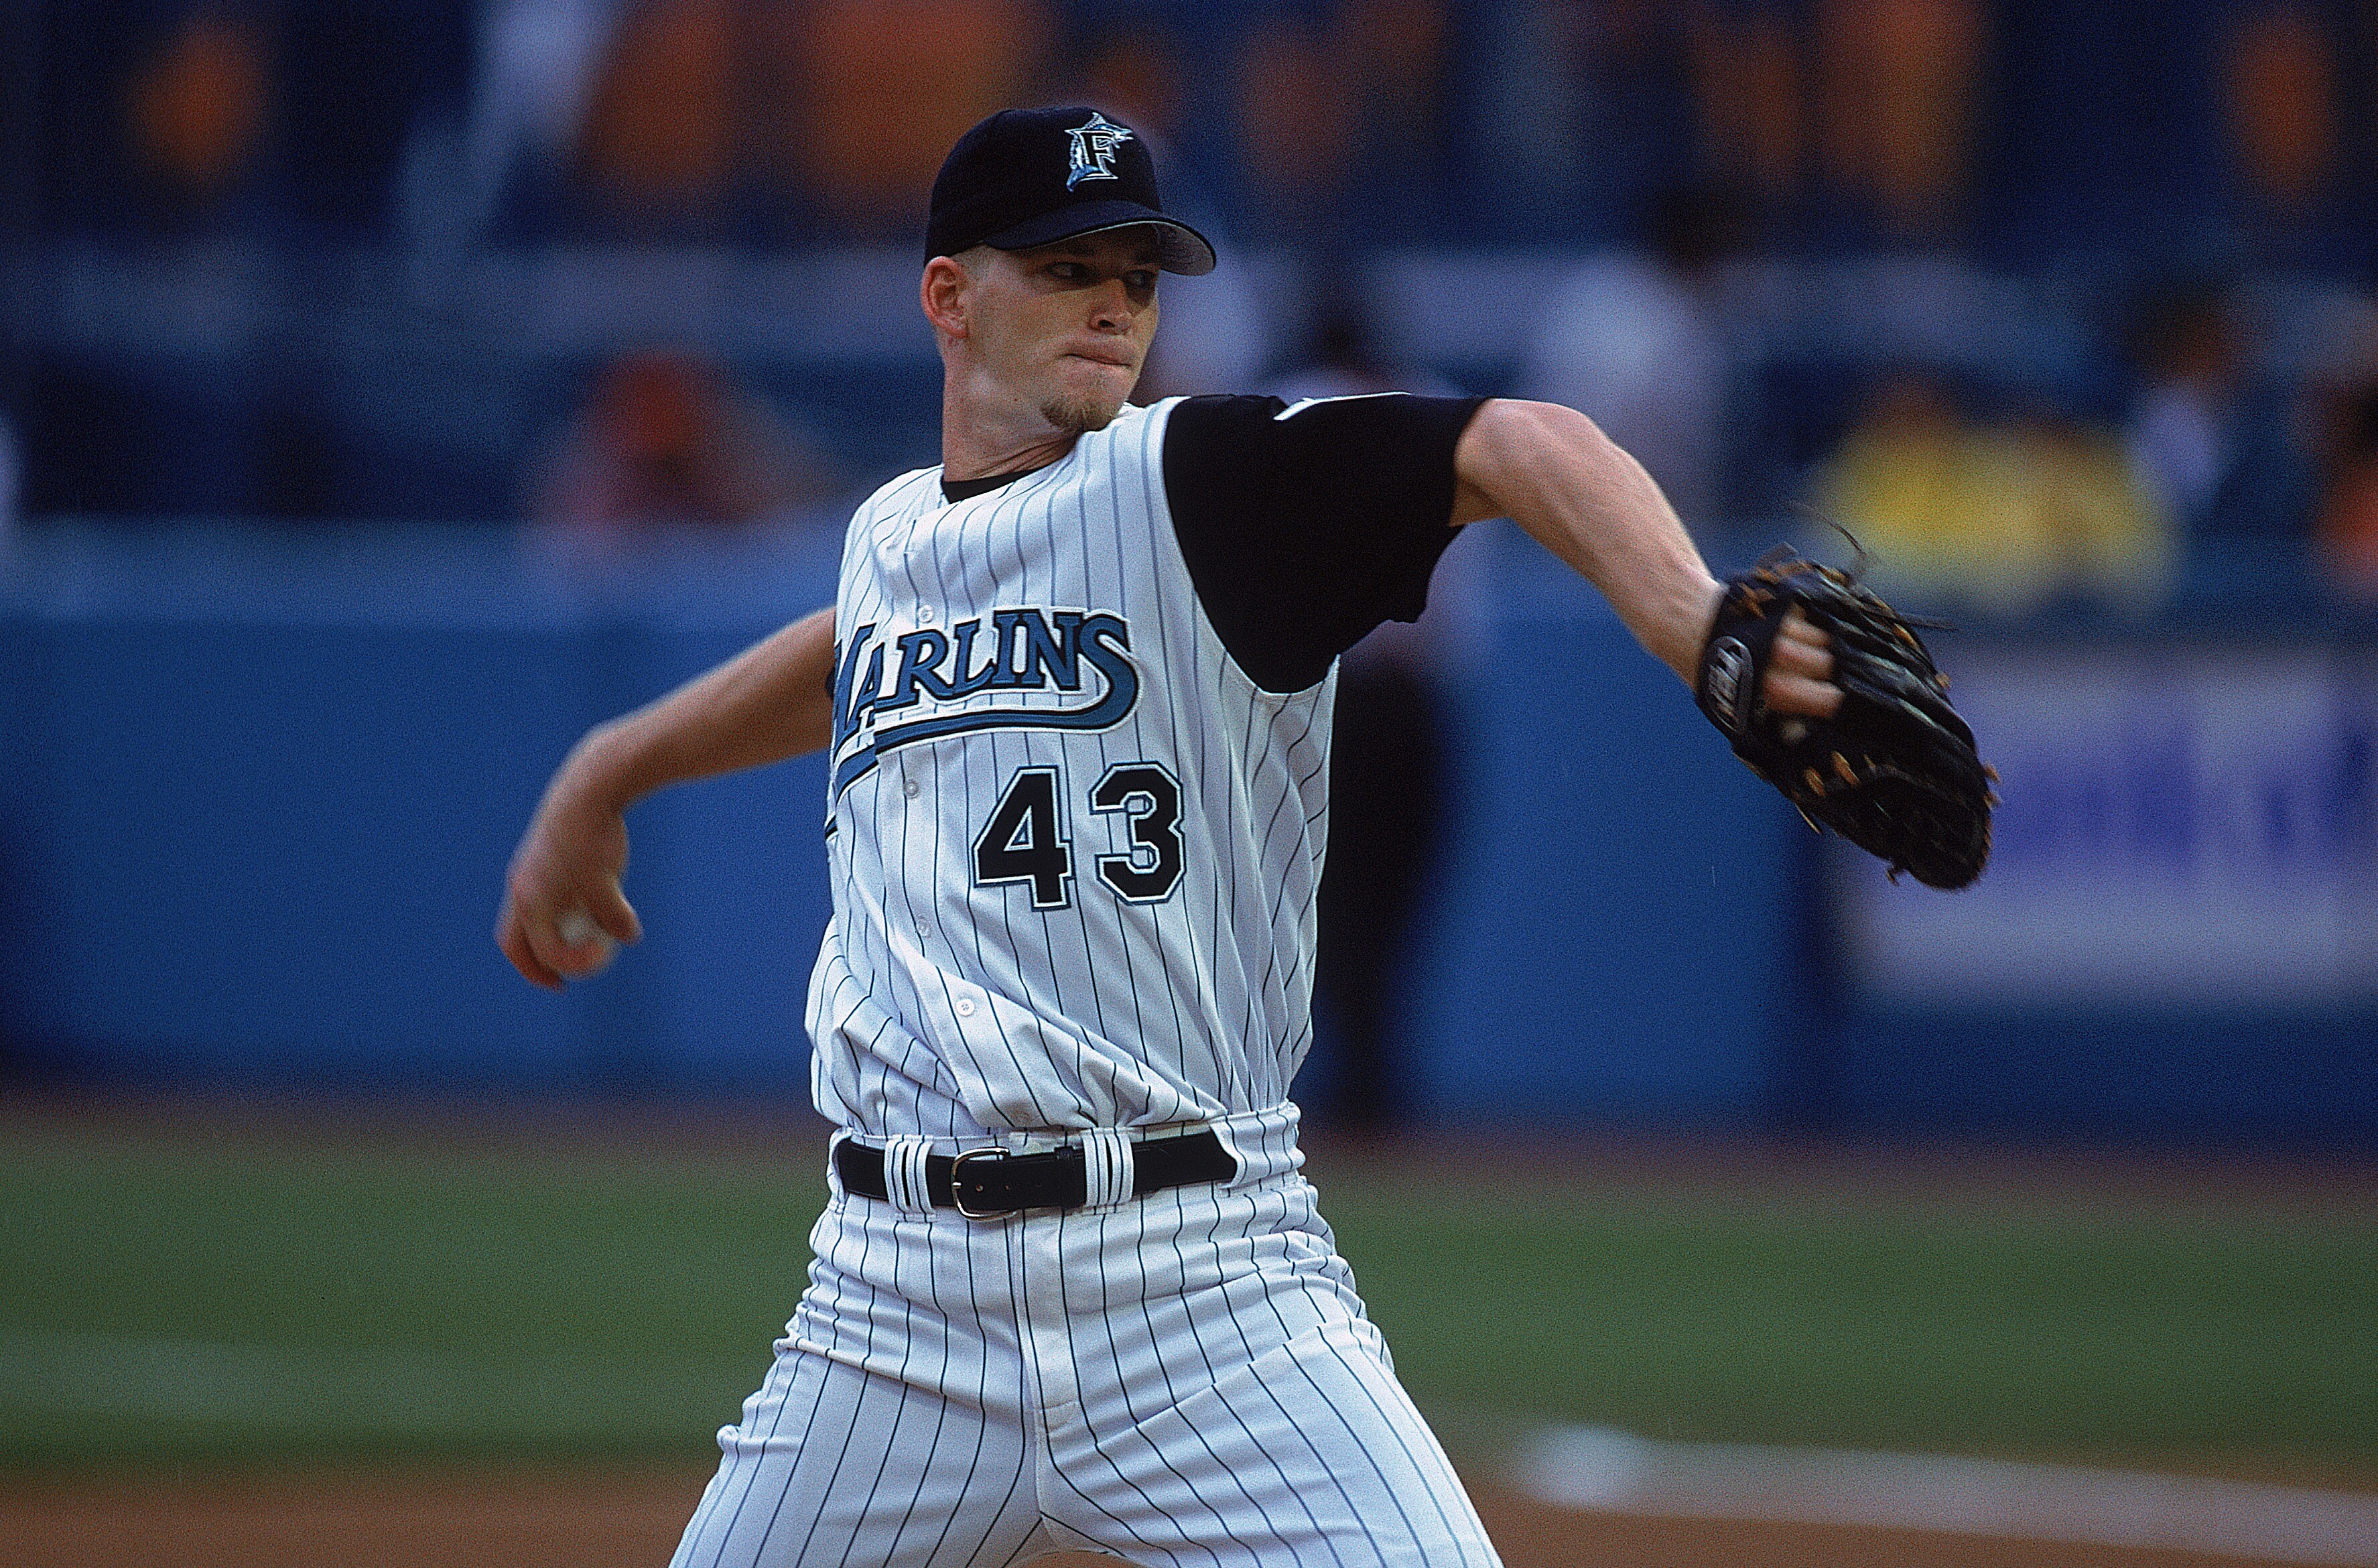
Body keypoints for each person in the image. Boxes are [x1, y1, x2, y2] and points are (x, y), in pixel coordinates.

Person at [497, 105, 1839, 1568]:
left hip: (1201, 1288)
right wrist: (610, 767)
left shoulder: (1204, 482)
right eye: (1070, 264)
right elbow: (856, 649)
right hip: (889, 1305)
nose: (1116, 300)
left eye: (1139, 271)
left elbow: (1516, 439)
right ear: (948, 295)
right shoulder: (891, 536)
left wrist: (1684, 613)